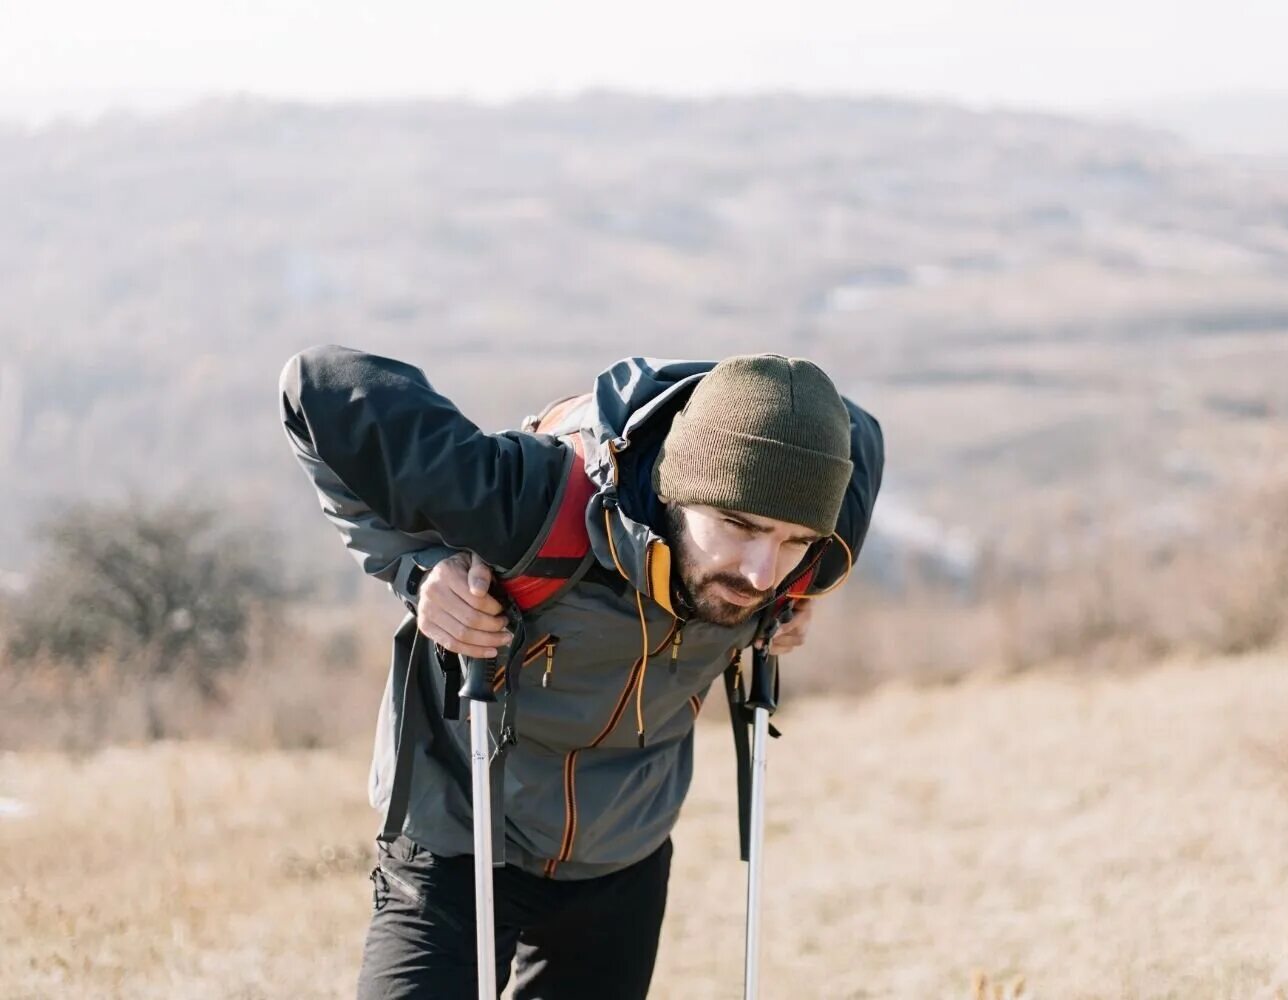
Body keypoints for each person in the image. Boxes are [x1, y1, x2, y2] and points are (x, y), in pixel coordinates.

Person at [278, 347, 883, 999]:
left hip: (623, 860)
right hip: (465, 836)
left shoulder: (813, 537)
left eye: (794, 542)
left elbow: (860, 433)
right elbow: (317, 387)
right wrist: (418, 568)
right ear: (681, 490)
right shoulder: (526, 500)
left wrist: (797, 597)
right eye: (739, 526)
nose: (761, 572)